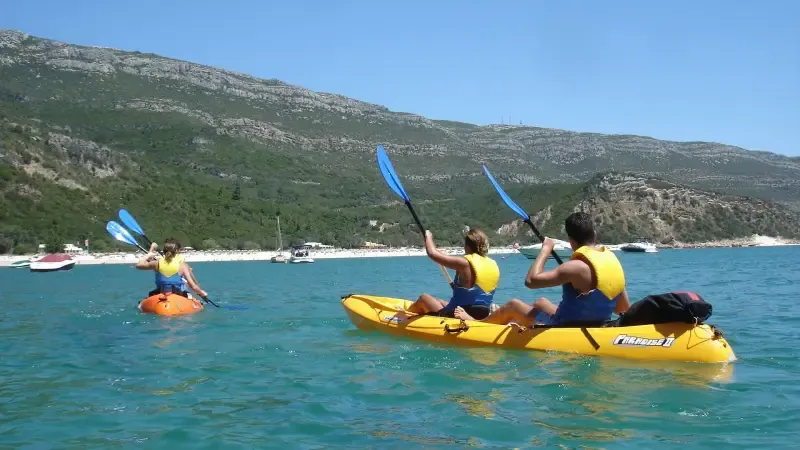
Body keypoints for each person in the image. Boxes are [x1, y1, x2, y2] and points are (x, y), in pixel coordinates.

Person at [455, 212, 629, 327]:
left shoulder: (575, 267)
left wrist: (545, 249)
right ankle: (520, 323)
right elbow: (621, 307)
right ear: (594, 235)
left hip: (568, 327)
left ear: (571, 241)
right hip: (599, 322)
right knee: (541, 302)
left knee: (513, 305)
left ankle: (478, 323)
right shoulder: (612, 261)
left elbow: (531, 281)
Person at [401, 228, 500, 320]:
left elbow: (432, 254)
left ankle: (404, 316)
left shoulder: (464, 263)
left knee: (424, 298)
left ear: (467, 246)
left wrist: (428, 236)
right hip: (483, 313)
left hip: (459, 313)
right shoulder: (493, 264)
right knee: (438, 301)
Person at [135, 238, 208, 299]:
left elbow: (139, 265)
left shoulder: (156, 263)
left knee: (151, 293)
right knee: (187, 293)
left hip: (160, 293)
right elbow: (193, 286)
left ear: (164, 251)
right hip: (178, 295)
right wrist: (201, 293)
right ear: (176, 251)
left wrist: (148, 255)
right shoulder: (182, 266)